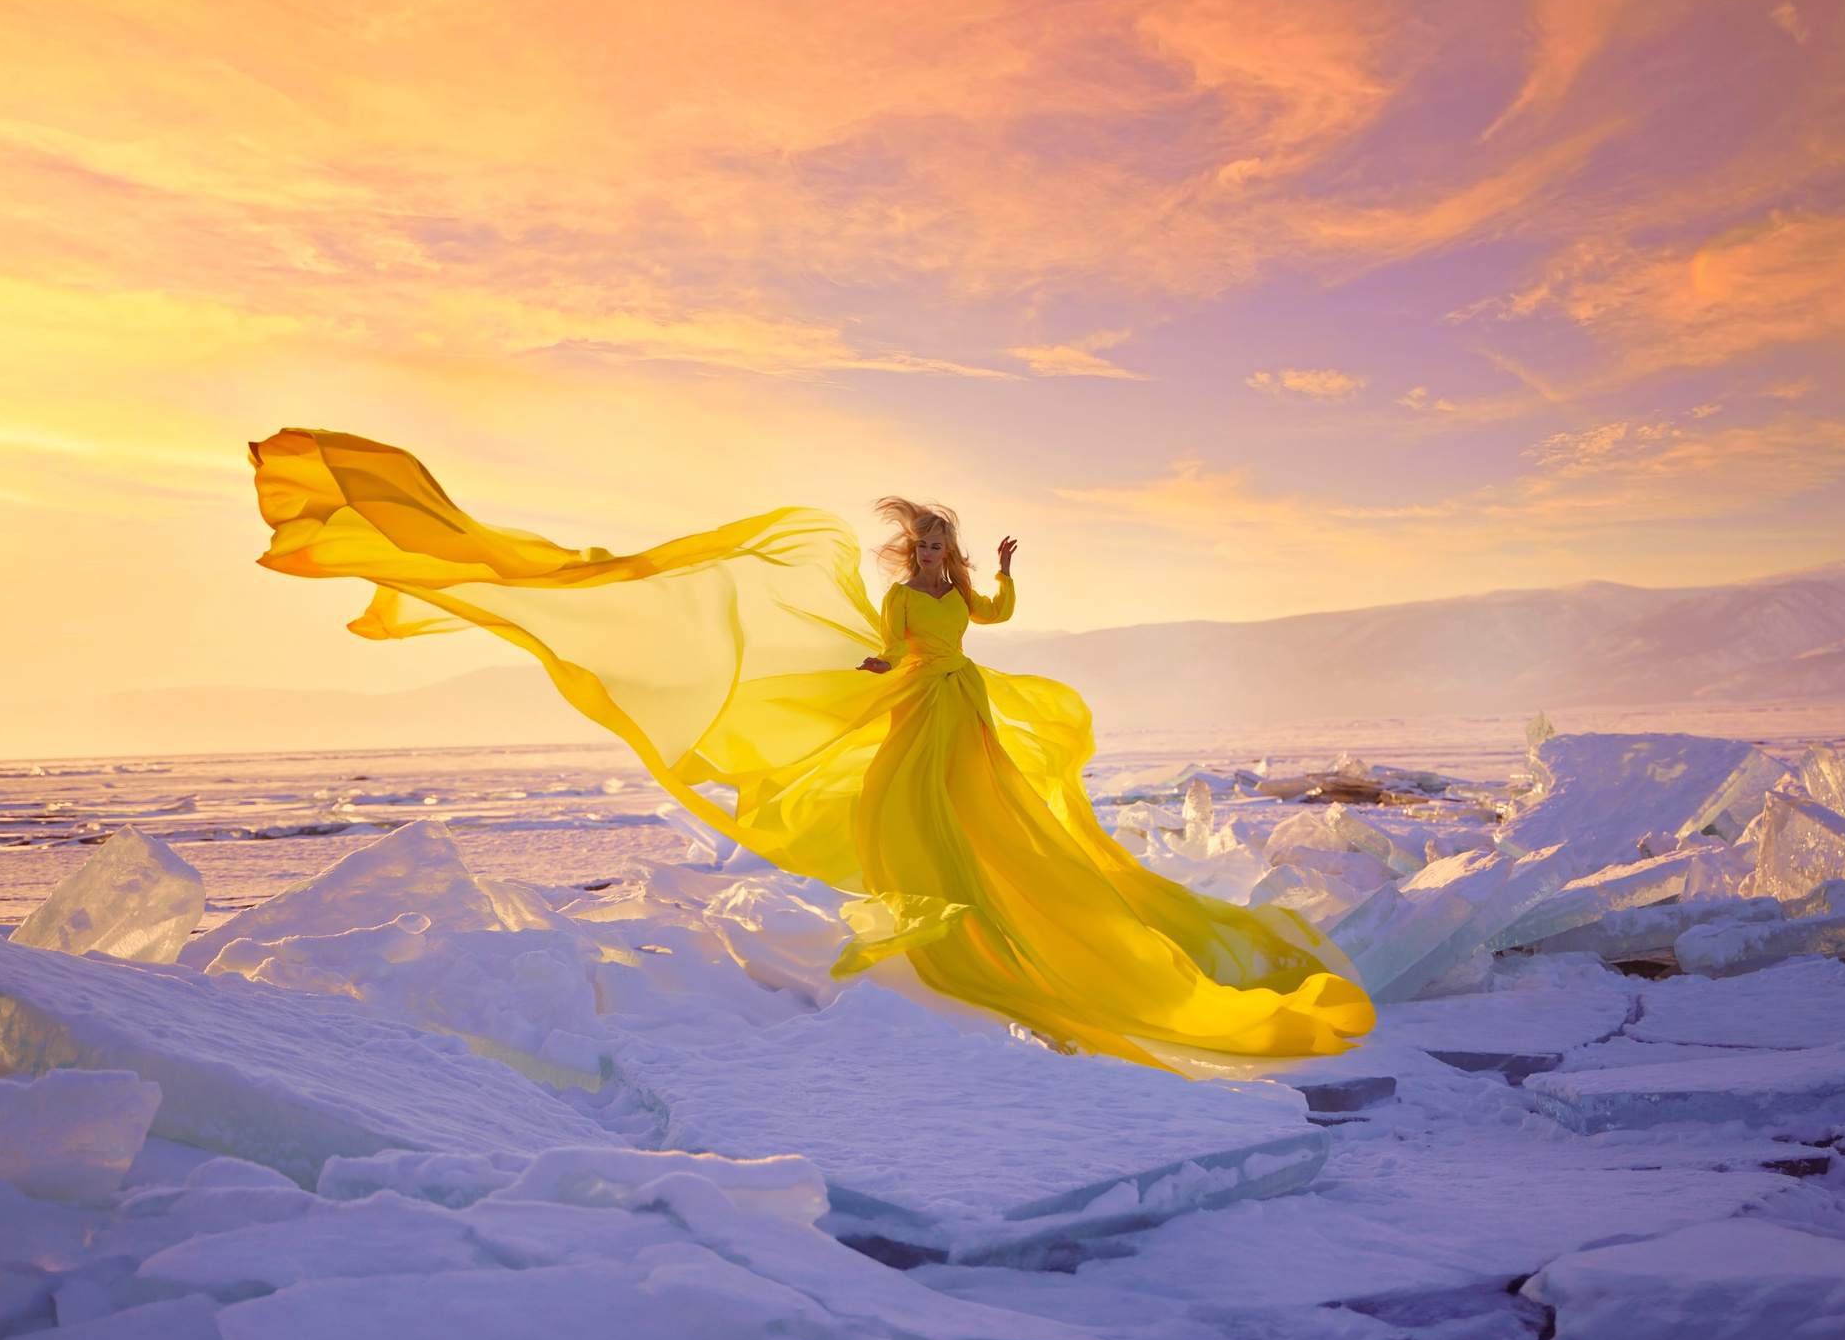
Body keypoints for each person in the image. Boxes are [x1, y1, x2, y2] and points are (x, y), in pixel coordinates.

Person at [249, 428, 1374, 1071]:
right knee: (914, 823)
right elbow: (894, 654)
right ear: (910, 551)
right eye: (924, 545)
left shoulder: (961, 597)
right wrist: (877, 678)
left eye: (939, 545)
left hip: (964, 710)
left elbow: (987, 627)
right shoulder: (896, 604)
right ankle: (947, 927)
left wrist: (1007, 569)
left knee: (987, 823)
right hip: (919, 710)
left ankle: (996, 930)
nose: (930, 556)